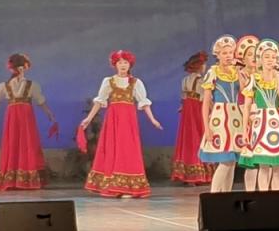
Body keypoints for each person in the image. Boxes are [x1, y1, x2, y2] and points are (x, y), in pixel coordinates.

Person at [81, 50, 162, 197]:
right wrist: (88, 119)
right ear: (115, 65)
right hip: (113, 120)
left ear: (130, 64)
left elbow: (144, 103)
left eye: (125, 62)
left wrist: (152, 119)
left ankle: (128, 187)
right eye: (120, 62)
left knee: (128, 149)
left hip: (128, 121)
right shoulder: (108, 81)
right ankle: (114, 186)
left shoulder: (136, 83)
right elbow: (99, 102)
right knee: (113, 148)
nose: (123, 65)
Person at [0, 53, 56, 191]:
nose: (21, 69)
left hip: (26, 119)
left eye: (23, 67)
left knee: (28, 144)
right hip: (13, 119)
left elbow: (41, 101)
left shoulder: (32, 85)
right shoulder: (5, 86)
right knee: (13, 143)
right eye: (19, 67)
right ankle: (12, 179)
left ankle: (28, 179)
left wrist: (49, 114)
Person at [240, 39, 279, 190]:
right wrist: (244, 130)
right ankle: (264, 197)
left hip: (278, 122)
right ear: (260, 59)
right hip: (261, 122)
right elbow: (247, 106)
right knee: (264, 164)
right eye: (266, 56)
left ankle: (276, 197)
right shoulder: (254, 79)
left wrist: (277, 77)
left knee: (278, 164)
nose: (270, 60)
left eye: (273, 57)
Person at [199, 35, 244, 192]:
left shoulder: (236, 72)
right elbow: (205, 103)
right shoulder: (213, 72)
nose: (228, 56)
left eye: (230, 52)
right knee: (225, 160)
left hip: (235, 118)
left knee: (231, 162)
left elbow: (244, 91)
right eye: (224, 53)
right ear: (217, 55)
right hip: (220, 117)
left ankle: (226, 196)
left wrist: (239, 71)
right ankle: (214, 196)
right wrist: (207, 128)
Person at [170, 51, 214, 185]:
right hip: (197, 111)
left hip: (187, 112)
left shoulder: (185, 80)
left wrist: (183, 107)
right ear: (199, 66)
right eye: (204, 64)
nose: (205, 67)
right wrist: (213, 110)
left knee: (188, 139)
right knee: (198, 138)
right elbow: (205, 99)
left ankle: (186, 174)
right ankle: (197, 174)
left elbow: (184, 97)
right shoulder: (201, 81)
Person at [235, 34, 260, 191]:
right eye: (249, 54)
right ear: (243, 58)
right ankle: (250, 190)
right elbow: (245, 92)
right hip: (246, 112)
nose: (253, 58)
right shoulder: (241, 73)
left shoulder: (263, 73)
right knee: (250, 155)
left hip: (262, 115)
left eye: (255, 54)